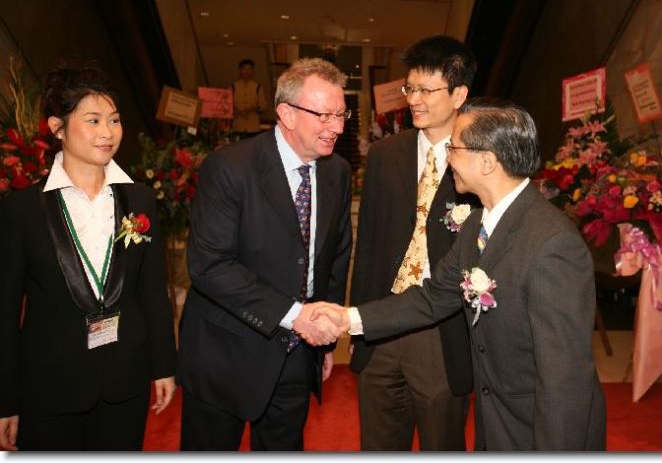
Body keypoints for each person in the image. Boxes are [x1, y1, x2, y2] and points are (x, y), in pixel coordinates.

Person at [313, 99, 607, 451]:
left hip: (536, 430)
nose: (446, 157)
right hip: (495, 421)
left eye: (454, 148)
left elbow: (565, 377)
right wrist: (349, 318)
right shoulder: (477, 224)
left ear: (487, 161)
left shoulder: (552, 243)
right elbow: (434, 296)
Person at [176, 57, 353, 451]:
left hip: (297, 355)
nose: (338, 127)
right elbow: (210, 265)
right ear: (287, 114)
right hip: (225, 352)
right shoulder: (230, 167)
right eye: (325, 115)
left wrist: (324, 340)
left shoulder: (336, 172)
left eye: (341, 114)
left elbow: (336, 257)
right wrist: (295, 315)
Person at [0, 66, 176, 451]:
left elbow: (153, 291)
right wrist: (5, 399)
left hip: (125, 379)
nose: (108, 132)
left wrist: (164, 365)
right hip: (50, 384)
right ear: (57, 128)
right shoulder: (22, 209)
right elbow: (6, 311)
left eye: (114, 120)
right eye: (93, 120)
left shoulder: (140, 199)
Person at [349, 35, 477, 450]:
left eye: (426, 90)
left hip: (443, 334)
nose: (414, 100)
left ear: (458, 94)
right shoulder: (385, 154)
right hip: (381, 328)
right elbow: (368, 247)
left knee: (442, 444)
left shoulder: (482, 157)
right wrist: (359, 326)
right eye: (410, 88)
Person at [231, 58, 269, 137]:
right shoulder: (233, 86)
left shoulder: (258, 86)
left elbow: (263, 106)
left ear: (252, 71)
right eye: (244, 69)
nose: (247, 71)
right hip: (238, 125)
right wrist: (237, 110)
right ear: (240, 70)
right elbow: (227, 106)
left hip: (253, 126)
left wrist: (253, 108)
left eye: (249, 69)